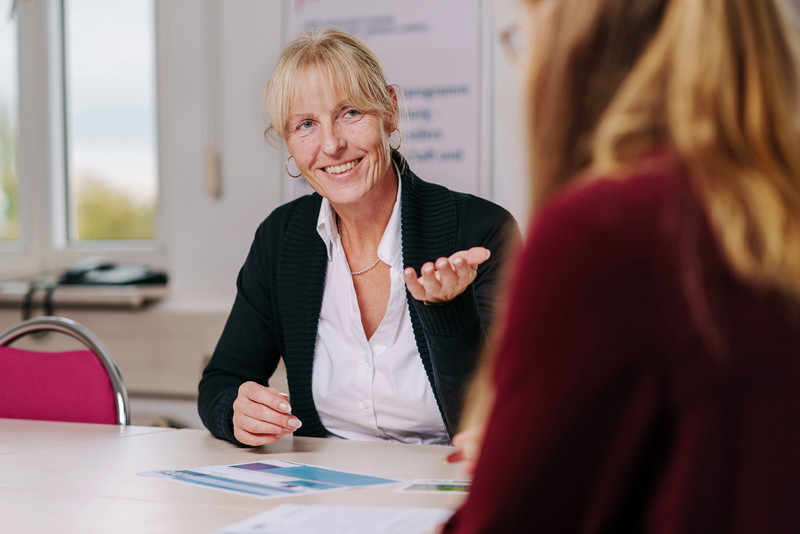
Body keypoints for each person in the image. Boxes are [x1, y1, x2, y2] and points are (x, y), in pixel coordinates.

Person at [442, 0, 800, 532]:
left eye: (527, 37)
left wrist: (515, 467)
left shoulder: (605, 232)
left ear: (577, 50)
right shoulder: (768, 214)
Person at [198, 27, 520, 447]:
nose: (331, 144)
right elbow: (221, 381)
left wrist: (448, 311)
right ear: (289, 143)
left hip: (442, 483)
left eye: (350, 113)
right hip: (323, 490)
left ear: (390, 111)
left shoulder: (482, 231)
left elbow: (498, 421)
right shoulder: (281, 238)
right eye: (306, 125)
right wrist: (235, 412)